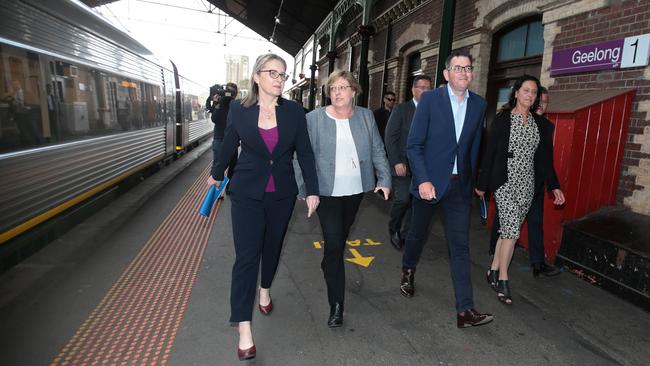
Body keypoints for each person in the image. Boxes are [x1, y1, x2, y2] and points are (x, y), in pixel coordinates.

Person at [208, 53, 320, 361]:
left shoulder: (295, 112)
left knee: (272, 248)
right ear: (257, 77)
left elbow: (306, 153)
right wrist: (215, 175)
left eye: (283, 75)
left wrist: (312, 190)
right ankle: (244, 327)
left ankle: (266, 288)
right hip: (246, 193)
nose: (279, 79)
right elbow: (230, 143)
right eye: (273, 73)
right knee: (246, 258)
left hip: (282, 194)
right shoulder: (239, 111)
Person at [400, 50, 494, 328]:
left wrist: (476, 182)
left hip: (458, 188)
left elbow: (475, 146)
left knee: (460, 246)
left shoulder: (479, 105)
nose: (464, 73)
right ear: (447, 74)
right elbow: (414, 145)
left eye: (468, 68)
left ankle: (465, 310)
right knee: (417, 235)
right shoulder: (430, 100)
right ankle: (408, 269)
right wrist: (424, 179)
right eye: (457, 68)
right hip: (429, 185)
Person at [298, 70, 391, 328]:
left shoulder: (365, 117)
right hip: (325, 192)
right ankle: (336, 305)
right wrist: (306, 189)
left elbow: (376, 149)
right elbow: (302, 155)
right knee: (335, 242)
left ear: (353, 91)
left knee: (338, 241)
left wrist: (384, 179)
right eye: (333, 88)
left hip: (355, 191)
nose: (337, 92)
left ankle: (329, 261)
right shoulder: (314, 119)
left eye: (342, 87)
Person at [476, 75, 565, 305]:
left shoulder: (541, 125)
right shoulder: (503, 120)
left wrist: (554, 187)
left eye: (534, 92)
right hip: (504, 182)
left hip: (528, 185)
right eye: (526, 90)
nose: (530, 95)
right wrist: (482, 185)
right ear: (516, 93)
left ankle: (492, 271)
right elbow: (491, 154)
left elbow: (546, 160)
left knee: (507, 230)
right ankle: (504, 280)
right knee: (512, 232)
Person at [384, 75, 432, 250]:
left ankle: (406, 233)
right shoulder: (402, 110)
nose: (426, 91)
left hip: (422, 167)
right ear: (413, 90)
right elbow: (390, 137)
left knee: (416, 202)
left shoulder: (432, 111)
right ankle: (393, 227)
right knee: (403, 199)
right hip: (402, 164)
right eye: (422, 87)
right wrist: (396, 161)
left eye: (429, 88)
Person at [208, 82, 238, 192]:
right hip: (220, 138)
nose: (227, 94)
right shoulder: (219, 103)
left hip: (229, 139)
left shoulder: (236, 105)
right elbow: (214, 118)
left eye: (230, 92)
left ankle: (228, 188)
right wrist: (216, 103)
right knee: (217, 164)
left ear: (235, 94)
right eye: (226, 91)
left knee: (232, 165)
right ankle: (214, 190)